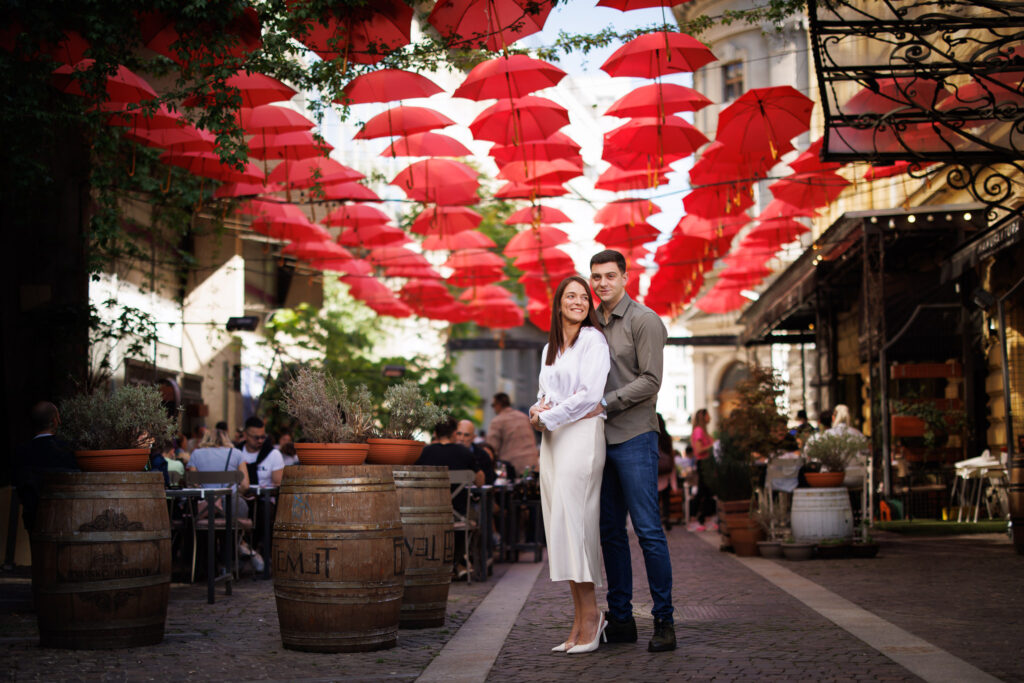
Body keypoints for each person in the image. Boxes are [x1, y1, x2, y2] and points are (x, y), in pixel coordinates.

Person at [588, 249, 676, 653]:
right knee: (610, 532)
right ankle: (621, 620)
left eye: (610, 275)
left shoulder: (644, 320)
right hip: (598, 441)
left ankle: (664, 620)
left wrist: (605, 403)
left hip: (636, 437)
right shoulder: (591, 324)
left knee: (647, 531)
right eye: (596, 277)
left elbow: (652, 380)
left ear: (625, 277)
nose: (602, 283)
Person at [529, 275, 609, 655]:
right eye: (571, 296)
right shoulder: (550, 348)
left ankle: (592, 617)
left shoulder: (593, 340)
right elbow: (545, 394)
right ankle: (578, 619)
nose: (578, 302)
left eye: (583, 297)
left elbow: (590, 396)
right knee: (560, 524)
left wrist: (548, 416)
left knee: (577, 524)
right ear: (558, 302)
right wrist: (536, 411)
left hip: (582, 436)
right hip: (554, 440)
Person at [12, 401, 79, 533]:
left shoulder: (21, 452)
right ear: (55, 421)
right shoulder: (66, 449)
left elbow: (18, 487)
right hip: (67, 518)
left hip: (34, 520)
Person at [486, 392, 538, 478]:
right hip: (532, 464)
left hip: (513, 467)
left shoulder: (497, 421)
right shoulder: (523, 417)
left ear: (498, 405)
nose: (493, 408)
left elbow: (491, 448)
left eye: (493, 405)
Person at [239, 416, 285, 488]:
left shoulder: (273, 454)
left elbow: (278, 484)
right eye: (256, 437)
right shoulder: (237, 453)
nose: (260, 441)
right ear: (245, 435)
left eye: (263, 437)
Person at [689, 408, 715, 530]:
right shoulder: (699, 431)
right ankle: (694, 518)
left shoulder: (702, 431)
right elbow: (699, 450)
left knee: (707, 492)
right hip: (703, 463)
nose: (710, 417)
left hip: (707, 464)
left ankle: (705, 518)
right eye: (708, 415)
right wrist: (713, 445)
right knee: (702, 491)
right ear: (703, 417)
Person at [456, 419, 496, 485]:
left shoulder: (483, 456)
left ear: (473, 437)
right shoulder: (447, 452)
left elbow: (488, 481)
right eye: (459, 434)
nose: (461, 438)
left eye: (466, 435)